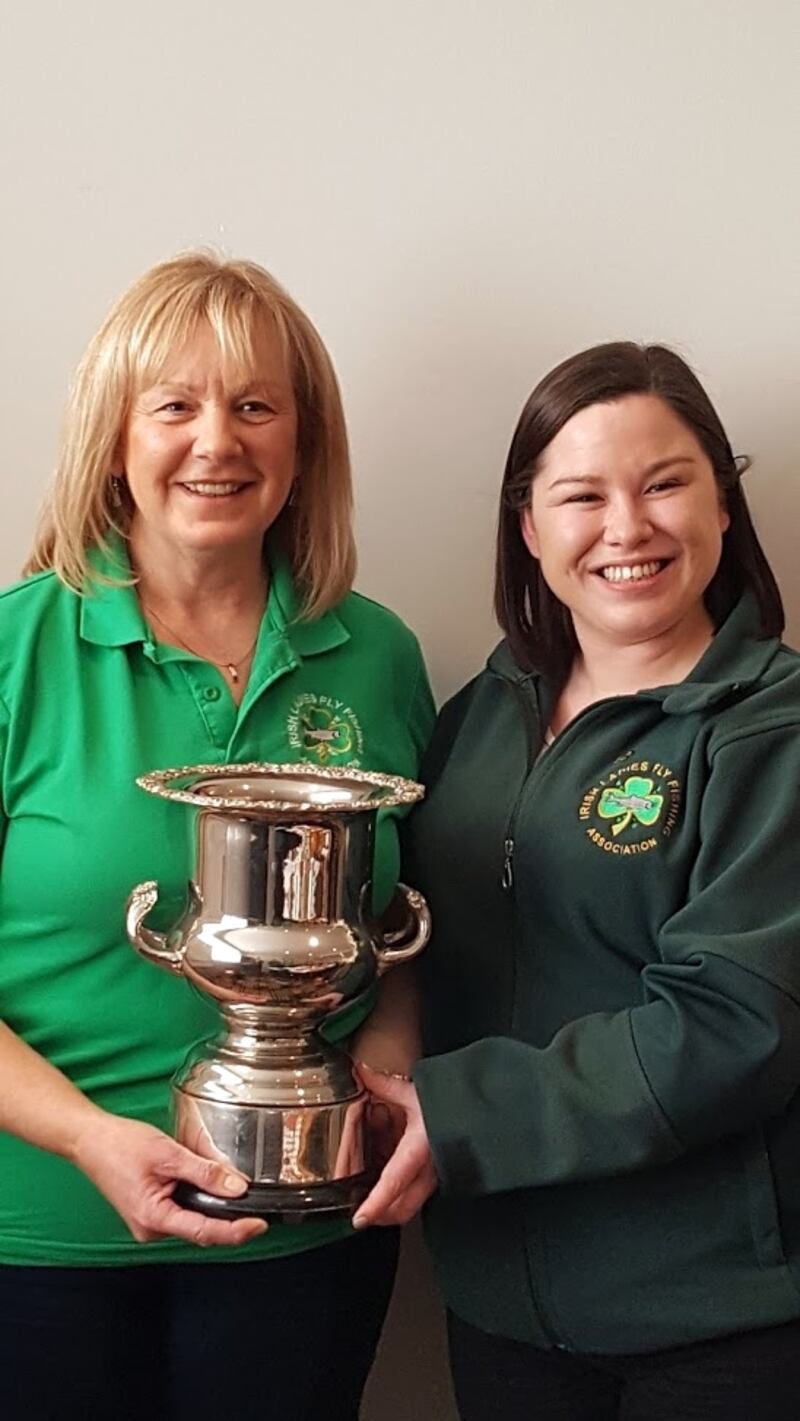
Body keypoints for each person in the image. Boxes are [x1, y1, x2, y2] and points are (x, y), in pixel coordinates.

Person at [0, 252, 434, 1420]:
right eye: (175, 405)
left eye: (255, 406)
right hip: (37, 1243)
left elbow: (406, 926)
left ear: (303, 445)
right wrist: (92, 1137)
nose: (216, 442)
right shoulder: (13, 650)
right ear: (114, 437)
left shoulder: (378, 655)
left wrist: (388, 1069)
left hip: (301, 1235)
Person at [355, 342, 800, 1419]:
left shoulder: (770, 728)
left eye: (664, 483)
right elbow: (413, 923)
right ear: (527, 527)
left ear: (723, 505)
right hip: (498, 1303)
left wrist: (461, 1113)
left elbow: (736, 1021)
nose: (626, 526)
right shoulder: (479, 712)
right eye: (580, 495)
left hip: (712, 1316)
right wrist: (386, 1041)